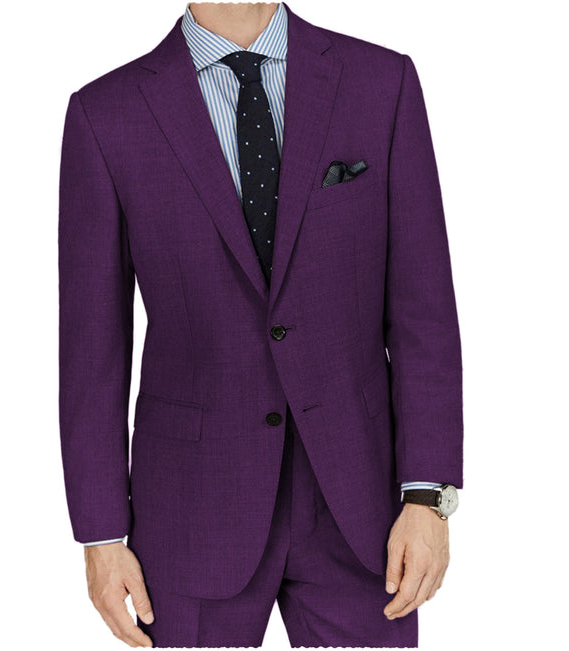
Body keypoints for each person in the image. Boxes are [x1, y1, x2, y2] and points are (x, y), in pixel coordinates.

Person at [58, 2, 463, 647]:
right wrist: (101, 535)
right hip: (190, 509)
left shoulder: (380, 84)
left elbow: (425, 312)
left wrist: (428, 496)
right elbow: (91, 349)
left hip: (362, 511)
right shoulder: (107, 114)